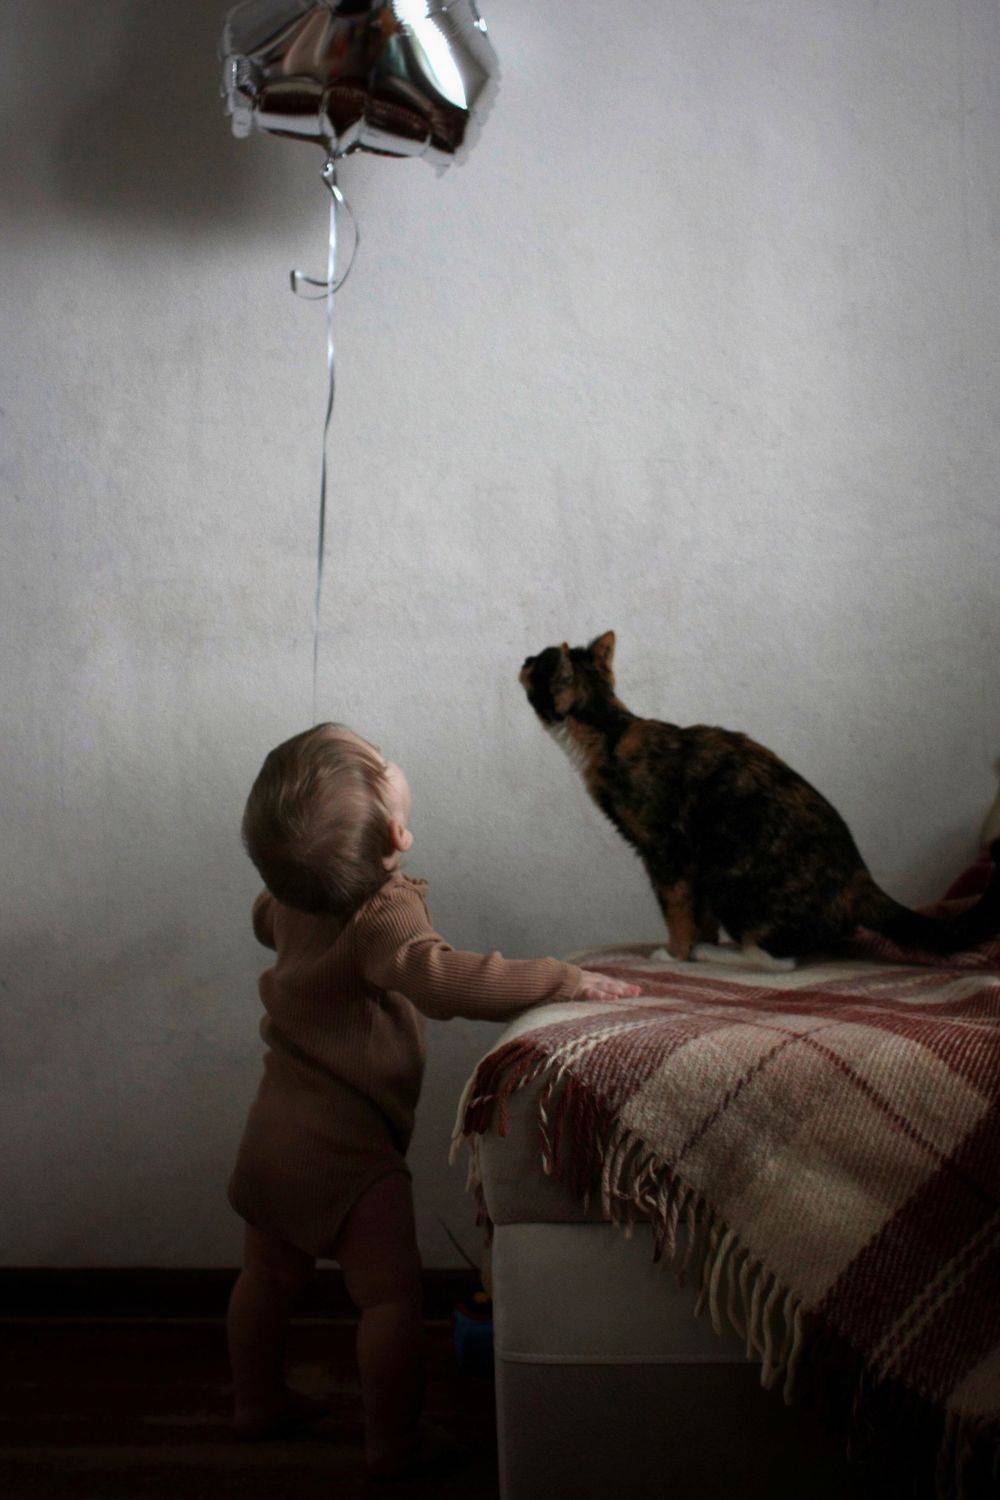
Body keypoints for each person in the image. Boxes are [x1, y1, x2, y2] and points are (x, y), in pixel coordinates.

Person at [226, 722, 640, 1478]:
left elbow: (266, 922)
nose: (392, 759)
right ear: (397, 834)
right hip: (349, 1151)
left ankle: (256, 1403)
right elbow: (444, 981)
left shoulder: (287, 895)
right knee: (388, 1301)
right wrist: (564, 980)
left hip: (273, 1129)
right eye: (383, 761)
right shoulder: (381, 913)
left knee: (268, 1278)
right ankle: (394, 1444)